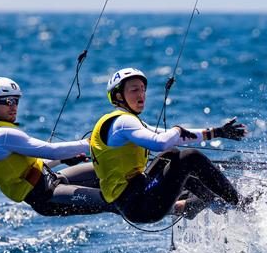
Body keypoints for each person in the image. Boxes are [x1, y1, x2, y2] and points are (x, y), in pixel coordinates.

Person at [90, 67, 247, 223]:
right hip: (139, 206)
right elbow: (161, 142)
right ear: (118, 96)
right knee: (190, 157)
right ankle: (241, 203)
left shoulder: (117, 120)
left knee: (171, 155)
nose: (141, 95)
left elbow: (168, 138)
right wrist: (177, 129)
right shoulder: (124, 122)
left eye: (143, 90)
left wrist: (217, 132)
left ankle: (213, 200)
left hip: (134, 197)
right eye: (134, 90)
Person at [0, 77, 115, 216]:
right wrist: (90, 143)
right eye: (8, 101)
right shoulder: (2, 135)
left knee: (112, 169)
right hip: (48, 197)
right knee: (112, 201)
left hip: (53, 179)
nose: (14, 106)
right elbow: (51, 151)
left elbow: (32, 167)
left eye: (16, 101)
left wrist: (63, 160)